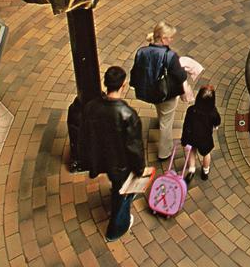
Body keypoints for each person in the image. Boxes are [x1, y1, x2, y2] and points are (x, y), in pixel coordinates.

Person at [79, 66, 145, 242]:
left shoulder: (92, 107)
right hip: (120, 164)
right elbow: (134, 147)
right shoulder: (128, 114)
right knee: (122, 194)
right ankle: (116, 228)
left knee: (117, 186)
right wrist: (140, 169)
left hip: (101, 157)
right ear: (123, 85)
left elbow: (85, 134)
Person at [130, 22, 188, 162]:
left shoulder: (141, 51)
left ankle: (160, 116)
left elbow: (135, 71)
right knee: (166, 123)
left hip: (150, 91)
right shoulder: (170, 56)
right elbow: (181, 76)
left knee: (161, 110)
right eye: (170, 37)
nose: (172, 40)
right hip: (165, 94)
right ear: (163, 38)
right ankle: (164, 151)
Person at [181, 85, 222, 182]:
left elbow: (186, 125)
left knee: (192, 150)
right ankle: (205, 172)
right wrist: (215, 126)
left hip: (192, 136)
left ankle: (191, 170)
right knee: (206, 154)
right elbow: (217, 121)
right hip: (205, 139)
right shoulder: (213, 112)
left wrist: (184, 139)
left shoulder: (191, 110)